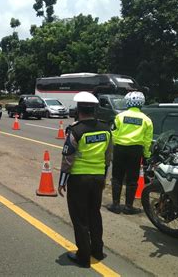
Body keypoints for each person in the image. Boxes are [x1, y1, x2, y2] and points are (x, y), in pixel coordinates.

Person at [58, 92, 112, 268]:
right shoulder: (106, 129)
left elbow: (67, 158)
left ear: (79, 110)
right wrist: (103, 177)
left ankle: (83, 256)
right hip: (97, 179)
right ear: (94, 110)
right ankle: (97, 250)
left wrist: (61, 182)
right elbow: (108, 156)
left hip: (79, 180)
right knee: (94, 214)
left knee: (80, 218)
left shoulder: (76, 130)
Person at [107, 91, 153, 215]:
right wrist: (147, 155)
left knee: (117, 177)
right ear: (141, 103)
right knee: (132, 179)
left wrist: (117, 146)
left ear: (127, 102)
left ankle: (115, 205)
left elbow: (113, 134)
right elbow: (147, 141)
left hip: (120, 149)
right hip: (136, 151)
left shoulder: (120, 116)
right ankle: (128, 206)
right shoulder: (146, 120)